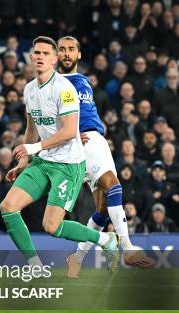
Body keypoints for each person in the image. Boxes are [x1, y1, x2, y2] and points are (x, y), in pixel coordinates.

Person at [0, 37, 119, 268]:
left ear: (54, 59)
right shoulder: (29, 89)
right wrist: (24, 160)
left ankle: (105, 238)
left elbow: (69, 131)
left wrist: (33, 148)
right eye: (37, 53)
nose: (41, 57)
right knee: (8, 207)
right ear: (32, 58)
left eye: (46, 53)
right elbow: (32, 127)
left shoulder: (65, 89)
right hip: (43, 162)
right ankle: (35, 266)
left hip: (68, 164)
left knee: (52, 227)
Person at [56, 36, 154, 276]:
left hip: (95, 139)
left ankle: (77, 257)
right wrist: (71, 134)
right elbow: (47, 119)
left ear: (79, 54)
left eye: (71, 49)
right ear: (56, 55)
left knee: (102, 208)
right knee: (113, 186)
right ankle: (128, 247)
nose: (67, 53)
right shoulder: (53, 84)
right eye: (62, 50)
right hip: (83, 141)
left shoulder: (83, 80)